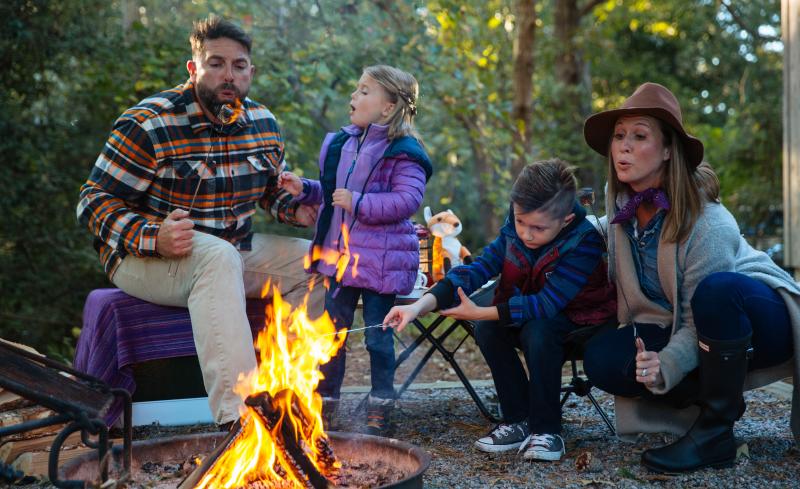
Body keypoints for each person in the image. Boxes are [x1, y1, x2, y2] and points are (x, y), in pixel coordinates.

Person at [76, 15, 324, 428]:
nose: (229, 75)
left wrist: (293, 209)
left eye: (239, 65)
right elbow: (93, 201)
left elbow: (268, 190)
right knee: (217, 257)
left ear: (251, 71)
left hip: (231, 248)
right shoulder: (149, 123)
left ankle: (293, 397)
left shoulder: (263, 124)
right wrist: (153, 236)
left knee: (316, 265)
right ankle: (240, 418)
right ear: (193, 68)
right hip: (143, 258)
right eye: (216, 63)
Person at [581, 82, 800, 473]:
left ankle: (715, 434)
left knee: (717, 292)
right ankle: (707, 399)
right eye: (619, 136)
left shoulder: (709, 224)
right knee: (602, 357)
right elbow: (582, 232)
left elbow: (700, 315)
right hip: (689, 326)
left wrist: (666, 363)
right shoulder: (621, 214)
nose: (623, 147)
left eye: (639, 135)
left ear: (668, 151)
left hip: (759, 316)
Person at [383, 159, 617, 461]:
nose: (526, 234)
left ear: (566, 219)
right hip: (531, 313)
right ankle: (518, 419)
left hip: (582, 321)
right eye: (521, 222)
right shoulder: (513, 231)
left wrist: (479, 312)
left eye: (538, 227)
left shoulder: (583, 241)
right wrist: (419, 306)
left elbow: (547, 305)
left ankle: (547, 430)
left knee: (537, 329)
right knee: (489, 328)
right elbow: (476, 270)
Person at [278, 65, 432, 435]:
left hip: (380, 264)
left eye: (364, 91)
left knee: (378, 340)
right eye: (356, 89)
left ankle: (381, 405)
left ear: (388, 106)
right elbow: (334, 193)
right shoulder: (343, 143)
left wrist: (359, 201)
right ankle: (326, 402)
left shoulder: (404, 152)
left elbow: (407, 200)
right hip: (340, 260)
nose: (354, 97)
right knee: (331, 335)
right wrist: (305, 189)